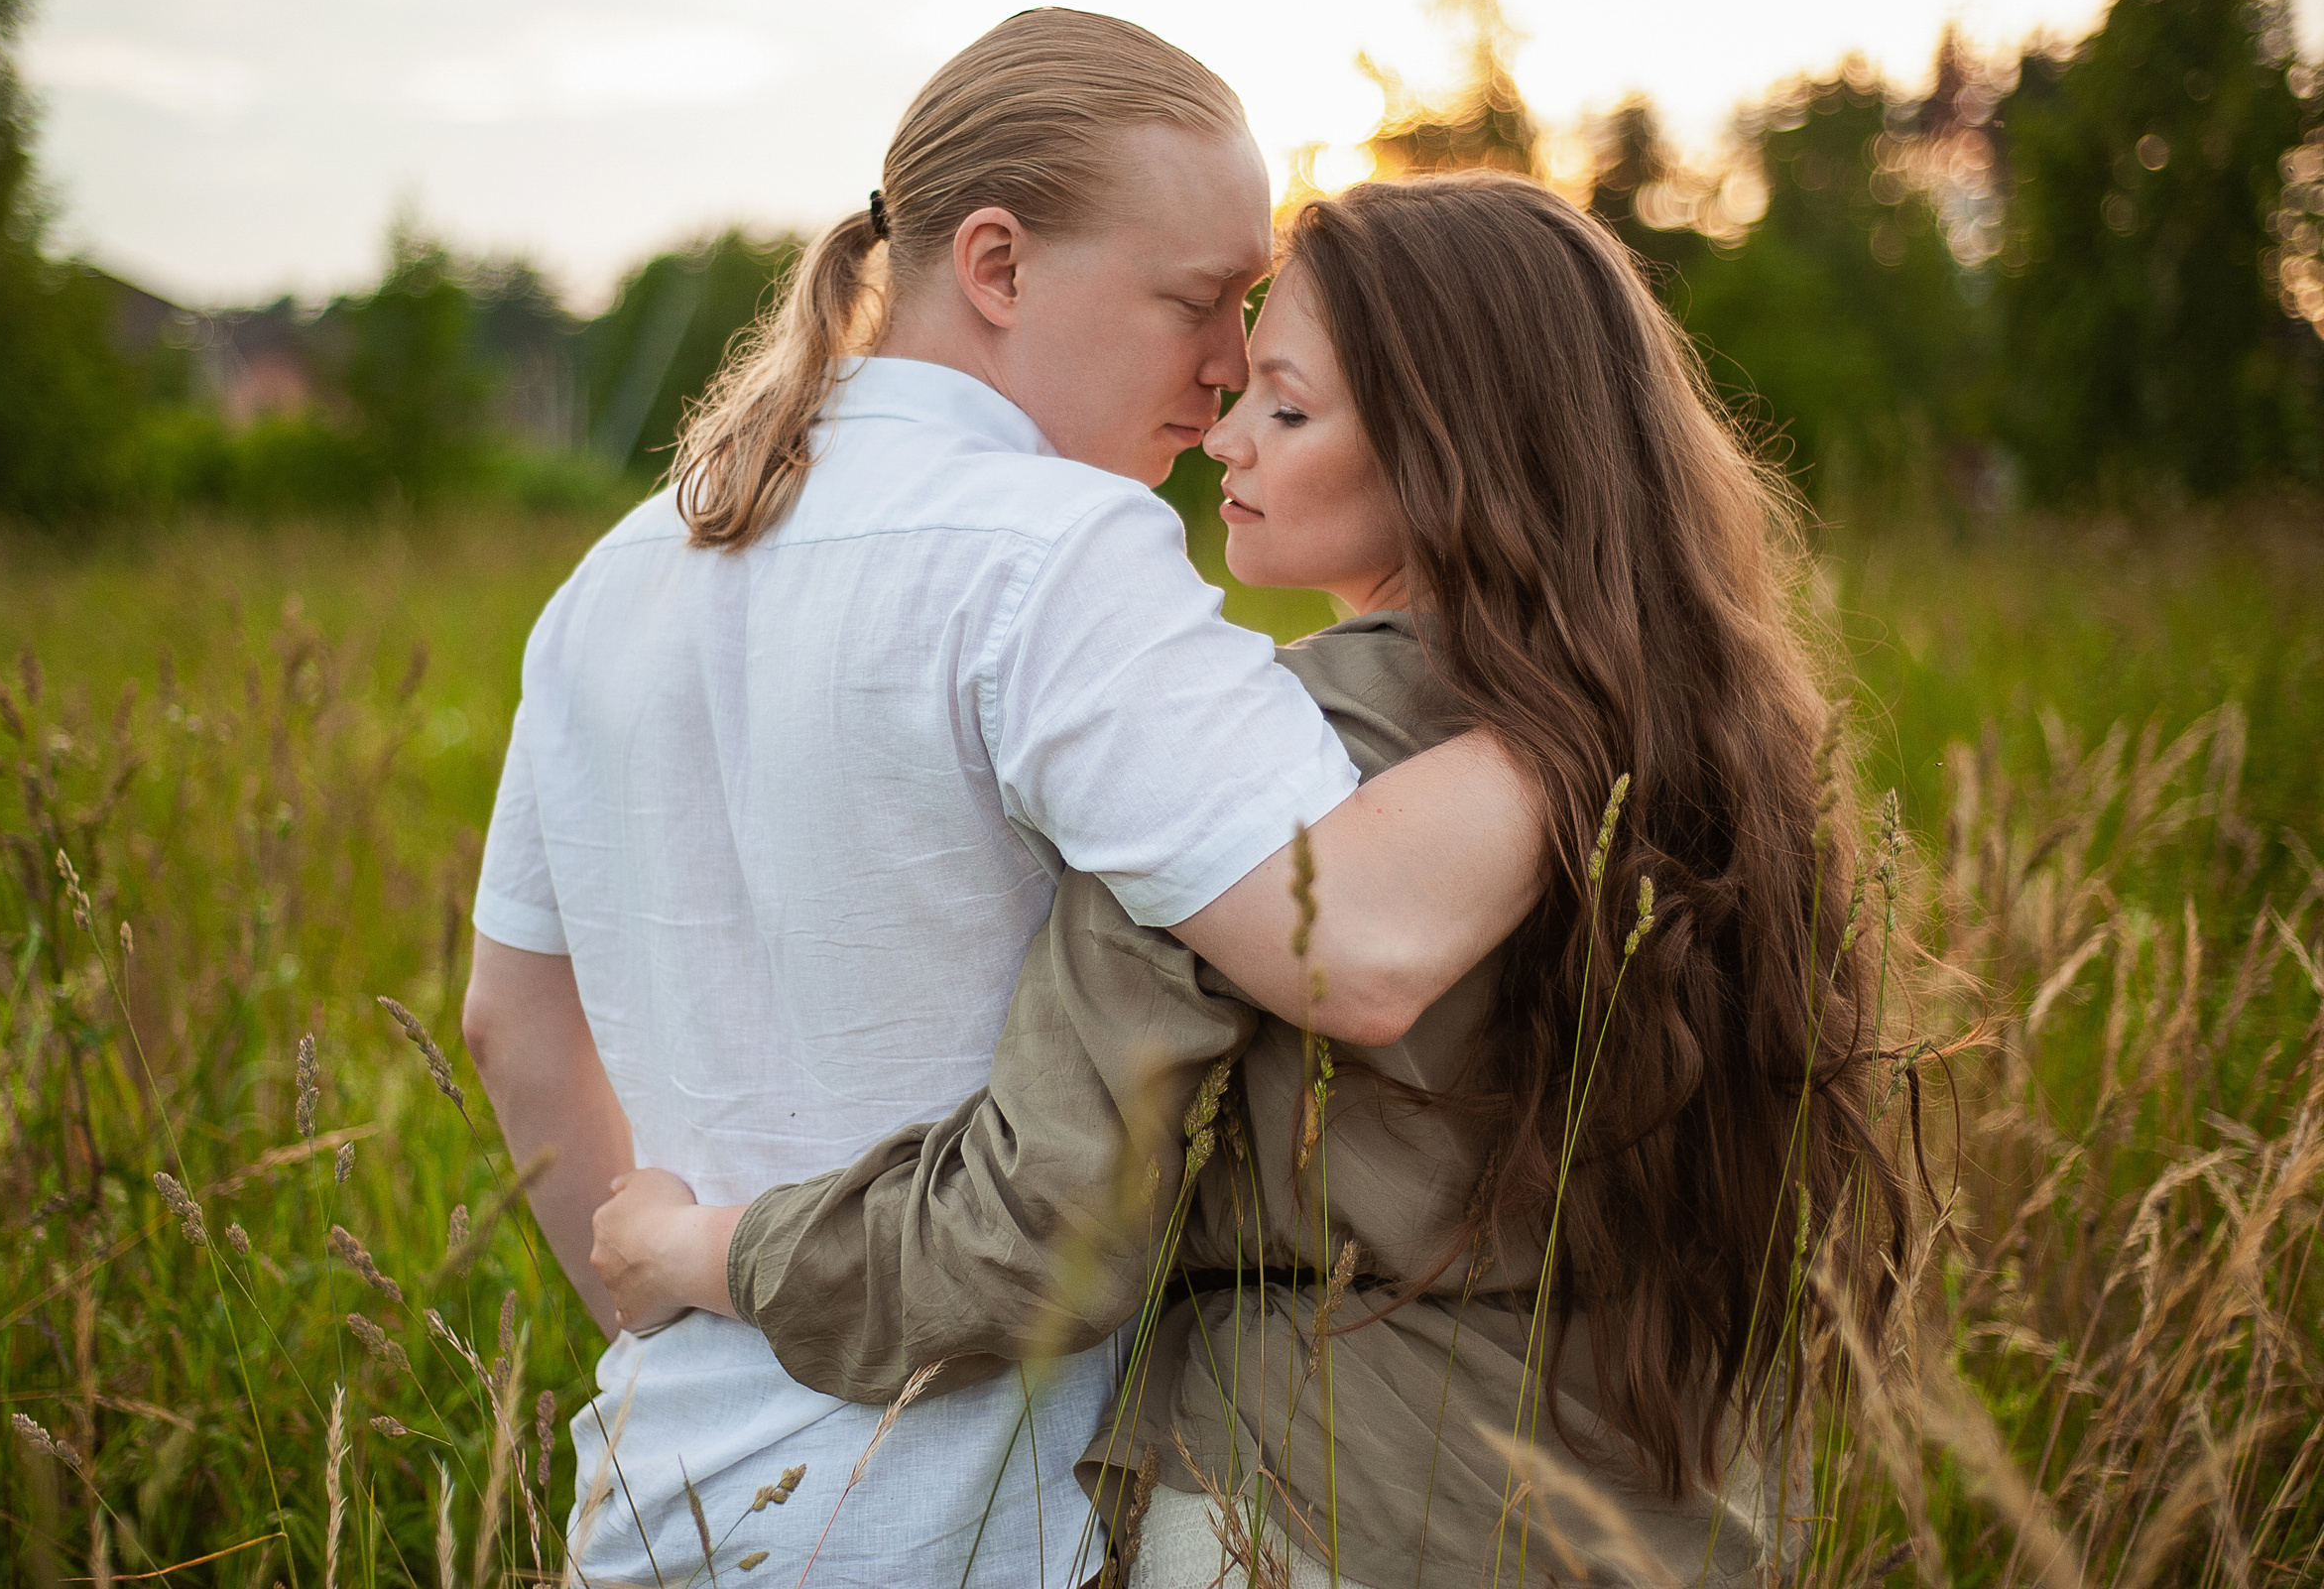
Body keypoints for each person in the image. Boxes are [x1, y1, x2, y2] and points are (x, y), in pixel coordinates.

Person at [596, 173, 1915, 1587]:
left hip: (1322, 1513)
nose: (1223, 433)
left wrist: (699, 1249)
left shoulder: (1245, 765)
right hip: (1682, 1513)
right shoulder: (1721, 754)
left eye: (1286, 409)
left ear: (1452, 455)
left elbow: (1028, 1239)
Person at [461, 13, 1536, 1587]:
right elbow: (1357, 948)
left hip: (658, 1500)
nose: (1229, 362)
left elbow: (511, 1029)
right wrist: (1618, 695)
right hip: (970, 1512)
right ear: (998, 266)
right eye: (1196, 299)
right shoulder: (1055, 553)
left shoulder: (615, 577)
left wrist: (681, 1321)